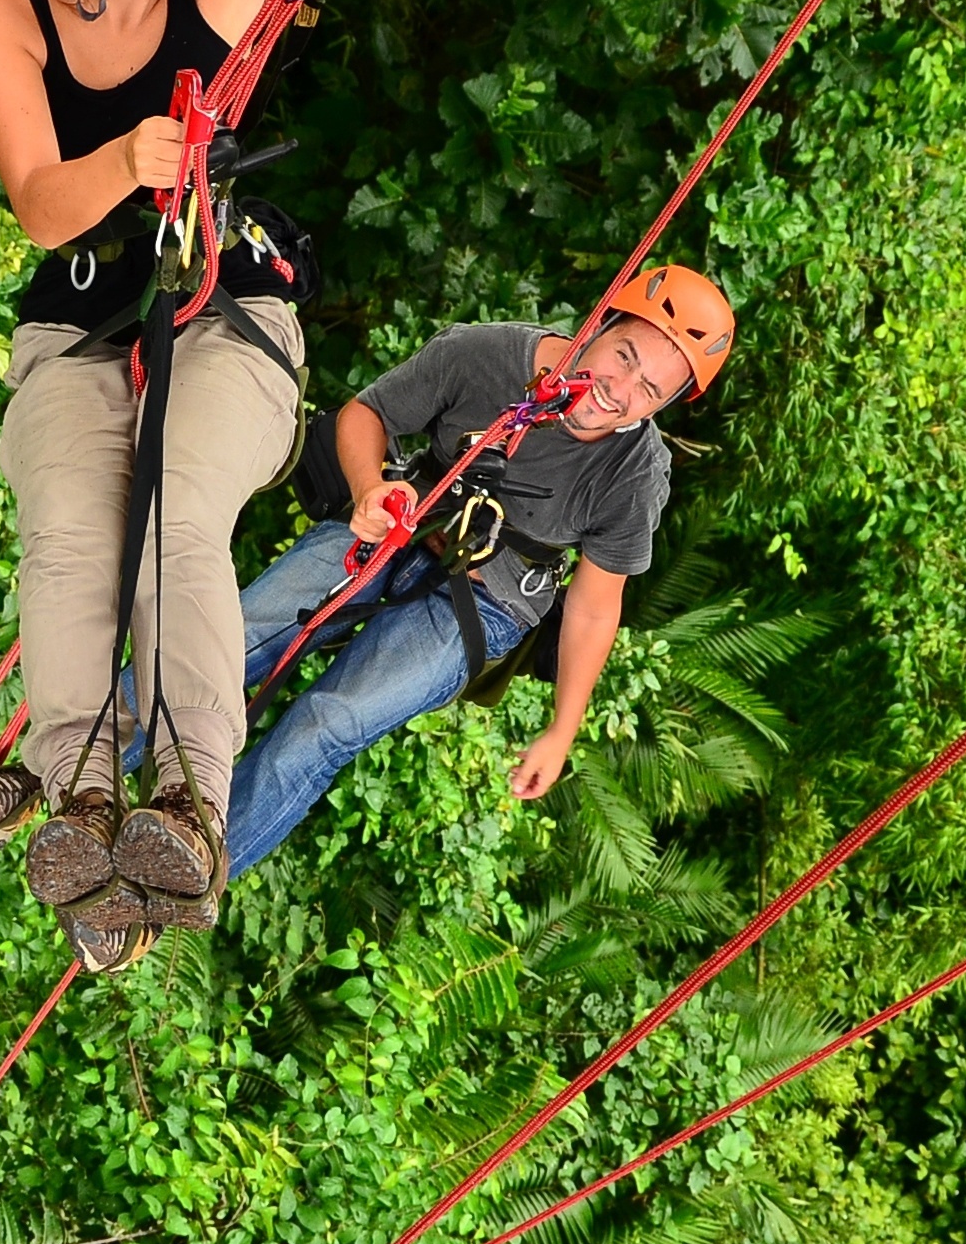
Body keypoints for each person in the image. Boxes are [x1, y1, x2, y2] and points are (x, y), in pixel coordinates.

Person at [0, 0, 425, 975]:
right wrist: (130, 162)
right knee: (69, 517)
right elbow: (43, 201)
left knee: (176, 508)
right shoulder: (11, 3)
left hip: (229, 308)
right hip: (82, 315)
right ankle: (81, 804)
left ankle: (188, 816)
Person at [72, 266, 737, 931]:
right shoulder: (488, 356)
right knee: (235, 636)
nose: (619, 390)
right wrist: (367, 490)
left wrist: (562, 731)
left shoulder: (637, 474)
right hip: (401, 521)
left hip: (485, 602)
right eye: (623, 356)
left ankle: (160, 902)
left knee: (326, 724)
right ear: (600, 326)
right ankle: (71, 777)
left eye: (649, 389)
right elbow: (370, 414)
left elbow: (595, 606)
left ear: (663, 407)